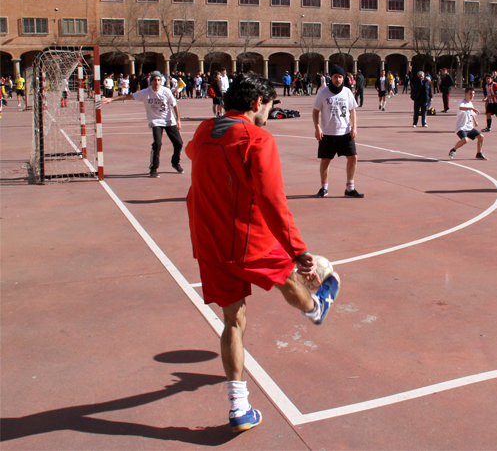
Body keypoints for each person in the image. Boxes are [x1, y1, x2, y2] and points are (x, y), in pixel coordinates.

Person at [185, 73, 340, 434]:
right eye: (270, 106)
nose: (270, 113)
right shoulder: (257, 138)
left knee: (233, 322)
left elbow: (195, 153)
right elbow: (272, 199)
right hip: (245, 237)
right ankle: (316, 309)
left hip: (208, 241)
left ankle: (239, 406)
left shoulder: (204, 130)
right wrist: (297, 249)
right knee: (287, 274)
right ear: (258, 103)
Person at [101, 71, 184, 178]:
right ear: (151, 81)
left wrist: (178, 120)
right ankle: (154, 168)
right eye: (154, 80)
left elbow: (174, 105)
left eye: (158, 80)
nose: (157, 82)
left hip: (169, 120)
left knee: (179, 143)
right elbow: (128, 96)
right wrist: (111, 99)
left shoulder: (166, 91)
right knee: (157, 144)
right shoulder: (145, 92)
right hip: (155, 121)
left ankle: (175, 163)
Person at [312, 64, 364, 198]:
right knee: (325, 160)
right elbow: (315, 111)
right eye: (336, 77)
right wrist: (317, 127)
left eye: (340, 77)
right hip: (328, 133)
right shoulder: (323, 92)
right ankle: (324, 188)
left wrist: (354, 127)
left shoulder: (347, 92)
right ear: (331, 77)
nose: (338, 80)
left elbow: (353, 110)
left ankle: (350, 188)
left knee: (353, 158)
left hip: (345, 132)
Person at [449, 87, 487, 160]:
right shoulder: (462, 102)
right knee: (465, 140)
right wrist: (472, 108)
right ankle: (453, 150)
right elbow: (461, 108)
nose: (472, 95)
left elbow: (471, 113)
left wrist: (475, 121)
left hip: (469, 127)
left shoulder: (470, 103)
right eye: (470, 94)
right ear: (466, 94)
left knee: (481, 137)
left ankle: (479, 153)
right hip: (461, 127)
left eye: (473, 94)